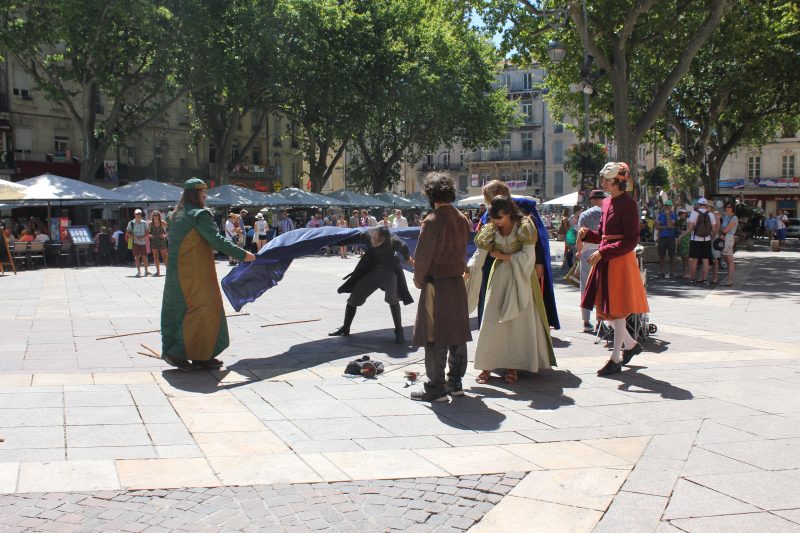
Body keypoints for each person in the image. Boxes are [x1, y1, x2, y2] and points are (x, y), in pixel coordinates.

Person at [160, 178, 255, 371]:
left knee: (177, 309)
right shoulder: (199, 214)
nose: (205, 195)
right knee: (201, 310)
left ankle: (201, 356)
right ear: (194, 194)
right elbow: (216, 239)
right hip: (195, 272)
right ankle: (177, 353)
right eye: (202, 192)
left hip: (176, 272)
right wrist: (243, 254)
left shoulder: (174, 214)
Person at [470, 196, 555, 385]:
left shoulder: (525, 226)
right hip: (499, 278)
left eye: (499, 217)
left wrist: (502, 255)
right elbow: (480, 254)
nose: (496, 222)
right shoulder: (491, 228)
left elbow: (528, 258)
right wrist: (470, 270)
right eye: (493, 218)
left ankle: (512, 366)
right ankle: (486, 366)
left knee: (516, 324)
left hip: (521, 278)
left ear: (509, 213)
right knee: (491, 321)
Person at [578, 162, 649, 376]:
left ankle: (616, 357)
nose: (603, 184)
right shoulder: (608, 203)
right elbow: (602, 234)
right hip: (608, 259)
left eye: (607, 180)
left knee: (616, 311)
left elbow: (630, 240)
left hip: (618, 261)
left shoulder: (628, 204)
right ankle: (631, 345)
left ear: (618, 182)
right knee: (608, 310)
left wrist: (604, 252)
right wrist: (586, 234)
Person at [410, 174, 472, 402]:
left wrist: (418, 280)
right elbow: (463, 249)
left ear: (430, 194)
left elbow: (423, 257)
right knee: (457, 333)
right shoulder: (462, 218)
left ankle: (435, 387)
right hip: (456, 283)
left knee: (434, 335)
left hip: (437, 284)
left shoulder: (433, 220)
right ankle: (455, 383)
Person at [474, 180, 560, 331]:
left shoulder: (523, 208)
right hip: (495, 263)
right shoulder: (490, 212)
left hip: (521, 262)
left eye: (487, 196)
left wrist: (539, 262)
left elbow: (537, 237)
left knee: (523, 299)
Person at [329, 226, 414, 344]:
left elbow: (407, 259)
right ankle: (345, 328)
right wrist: (330, 242)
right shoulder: (368, 235)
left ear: (386, 239)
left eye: (378, 240)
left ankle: (399, 332)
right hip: (371, 270)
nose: (374, 241)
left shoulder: (398, 242)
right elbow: (349, 238)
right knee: (354, 298)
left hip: (389, 271)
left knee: (392, 299)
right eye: (373, 238)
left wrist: (420, 268)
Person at [577, 189, 605, 332]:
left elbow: (579, 238)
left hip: (587, 251)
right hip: (602, 251)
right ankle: (600, 319)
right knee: (601, 286)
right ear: (602, 199)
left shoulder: (584, 214)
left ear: (591, 200)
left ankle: (586, 321)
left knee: (585, 286)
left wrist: (579, 251)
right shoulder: (606, 213)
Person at [686, 198, 717, 286]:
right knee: (705, 260)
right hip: (706, 239)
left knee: (694, 259)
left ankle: (692, 278)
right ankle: (704, 279)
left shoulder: (694, 213)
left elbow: (690, 227)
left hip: (695, 239)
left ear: (698, 204)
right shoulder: (710, 214)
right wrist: (709, 235)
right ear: (706, 205)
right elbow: (714, 229)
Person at [126, 209, 150, 277]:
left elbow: (147, 232)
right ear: (134, 215)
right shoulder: (131, 223)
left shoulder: (144, 222)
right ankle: (139, 271)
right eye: (137, 214)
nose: (138, 215)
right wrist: (134, 237)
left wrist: (142, 237)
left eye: (140, 214)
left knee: (144, 257)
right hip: (135, 242)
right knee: (136, 257)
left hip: (143, 242)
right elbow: (127, 233)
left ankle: (146, 270)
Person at [656, 200, 677, 278]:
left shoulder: (674, 215)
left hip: (671, 238)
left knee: (672, 256)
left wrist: (668, 216)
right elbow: (657, 227)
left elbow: (670, 224)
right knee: (661, 256)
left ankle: (672, 272)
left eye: (669, 206)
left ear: (671, 207)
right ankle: (661, 271)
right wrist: (666, 227)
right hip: (662, 238)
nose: (667, 207)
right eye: (666, 206)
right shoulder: (660, 215)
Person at [720, 202, 738, 286]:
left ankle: (730, 280)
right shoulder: (726, 217)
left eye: (729, 207)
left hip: (729, 238)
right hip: (725, 238)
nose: (727, 208)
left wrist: (723, 230)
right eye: (726, 207)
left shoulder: (734, 218)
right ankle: (729, 279)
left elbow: (725, 229)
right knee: (727, 259)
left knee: (729, 260)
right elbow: (722, 228)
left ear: (732, 208)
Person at [148, 210, 168, 276]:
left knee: (164, 256)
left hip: (162, 240)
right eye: (154, 215)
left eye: (157, 215)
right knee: (156, 257)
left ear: (159, 216)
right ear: (152, 216)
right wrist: (149, 235)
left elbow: (170, 228)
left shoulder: (162, 222)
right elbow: (147, 232)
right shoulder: (150, 223)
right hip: (154, 241)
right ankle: (158, 272)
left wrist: (165, 235)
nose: (156, 216)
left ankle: (169, 271)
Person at [675, 207, 690, 277]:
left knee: (687, 257)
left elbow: (689, 230)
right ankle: (684, 272)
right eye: (680, 213)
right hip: (681, 240)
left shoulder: (688, 220)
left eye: (682, 213)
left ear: (685, 214)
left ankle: (688, 273)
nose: (681, 215)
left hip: (687, 240)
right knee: (683, 257)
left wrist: (682, 234)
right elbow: (677, 228)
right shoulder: (679, 221)